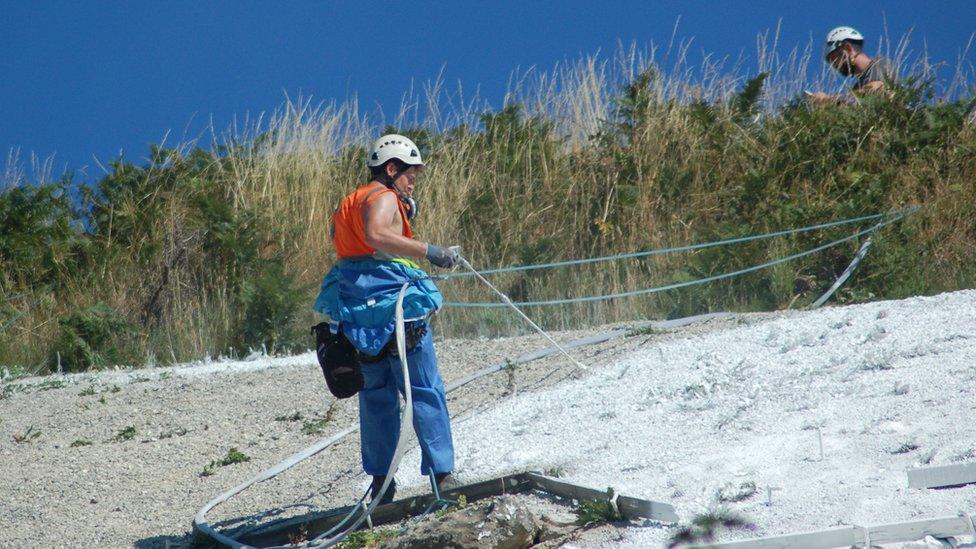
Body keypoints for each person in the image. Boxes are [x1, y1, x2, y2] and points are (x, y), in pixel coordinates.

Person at [313, 134, 459, 504]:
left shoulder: (348, 203)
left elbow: (346, 243)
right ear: (391, 169)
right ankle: (443, 476)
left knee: (376, 397)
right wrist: (430, 251)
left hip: (358, 313)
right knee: (423, 389)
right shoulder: (382, 196)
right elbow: (377, 235)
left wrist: (403, 214)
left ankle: (382, 484)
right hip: (396, 305)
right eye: (410, 175)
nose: (413, 182)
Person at [808, 26, 897, 104]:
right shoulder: (857, 86)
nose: (833, 65)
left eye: (834, 58)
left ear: (848, 48)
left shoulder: (881, 63)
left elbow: (877, 89)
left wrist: (828, 99)